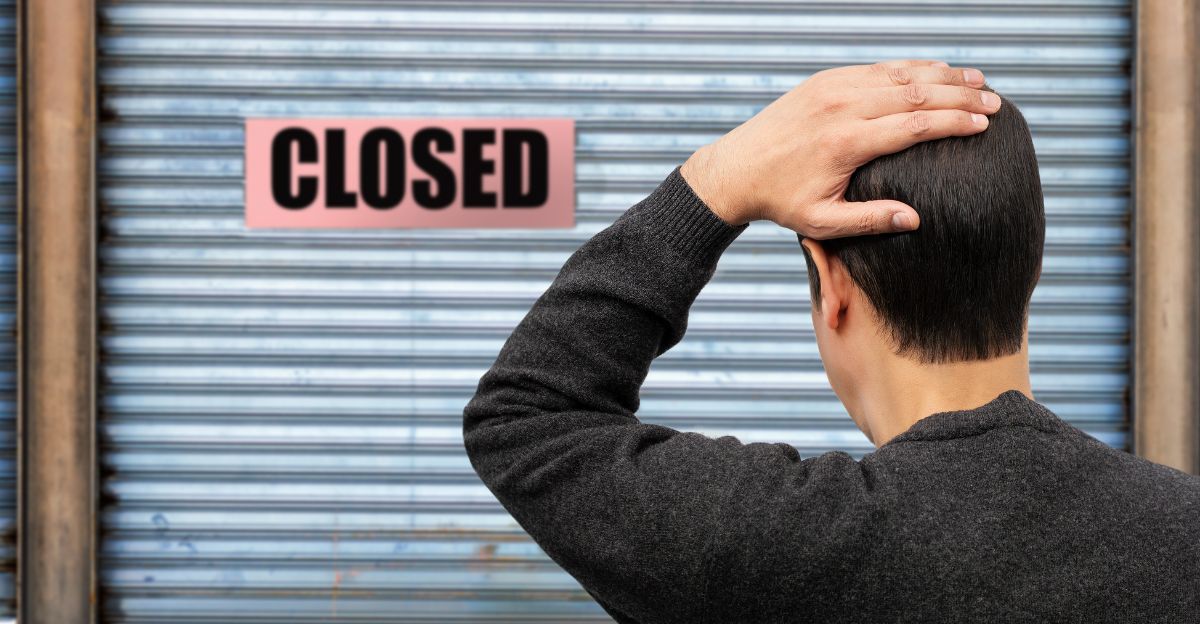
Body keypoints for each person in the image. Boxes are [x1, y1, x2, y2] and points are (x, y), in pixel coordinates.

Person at [462, 61, 1200, 623]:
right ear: (1031, 268)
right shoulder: (1183, 534)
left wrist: (718, 180)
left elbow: (526, 419)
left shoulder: (775, 551)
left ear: (831, 281)